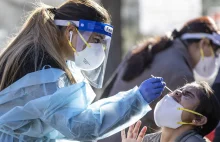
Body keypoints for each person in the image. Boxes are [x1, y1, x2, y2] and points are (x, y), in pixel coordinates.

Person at [0, 0, 166, 141]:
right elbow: (82, 127)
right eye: (95, 39)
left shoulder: (46, 55)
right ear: (70, 31)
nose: (99, 48)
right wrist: (136, 99)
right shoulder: (44, 70)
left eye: (102, 42)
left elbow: (77, 115)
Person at [99, 16, 220, 142]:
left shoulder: (149, 49)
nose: (178, 92)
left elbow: (106, 93)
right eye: (215, 51)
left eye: (187, 94)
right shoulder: (179, 72)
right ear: (204, 43)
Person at [121, 81, 220, 142]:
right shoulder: (147, 140)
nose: (177, 92)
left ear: (199, 119)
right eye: (180, 89)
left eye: (188, 94)